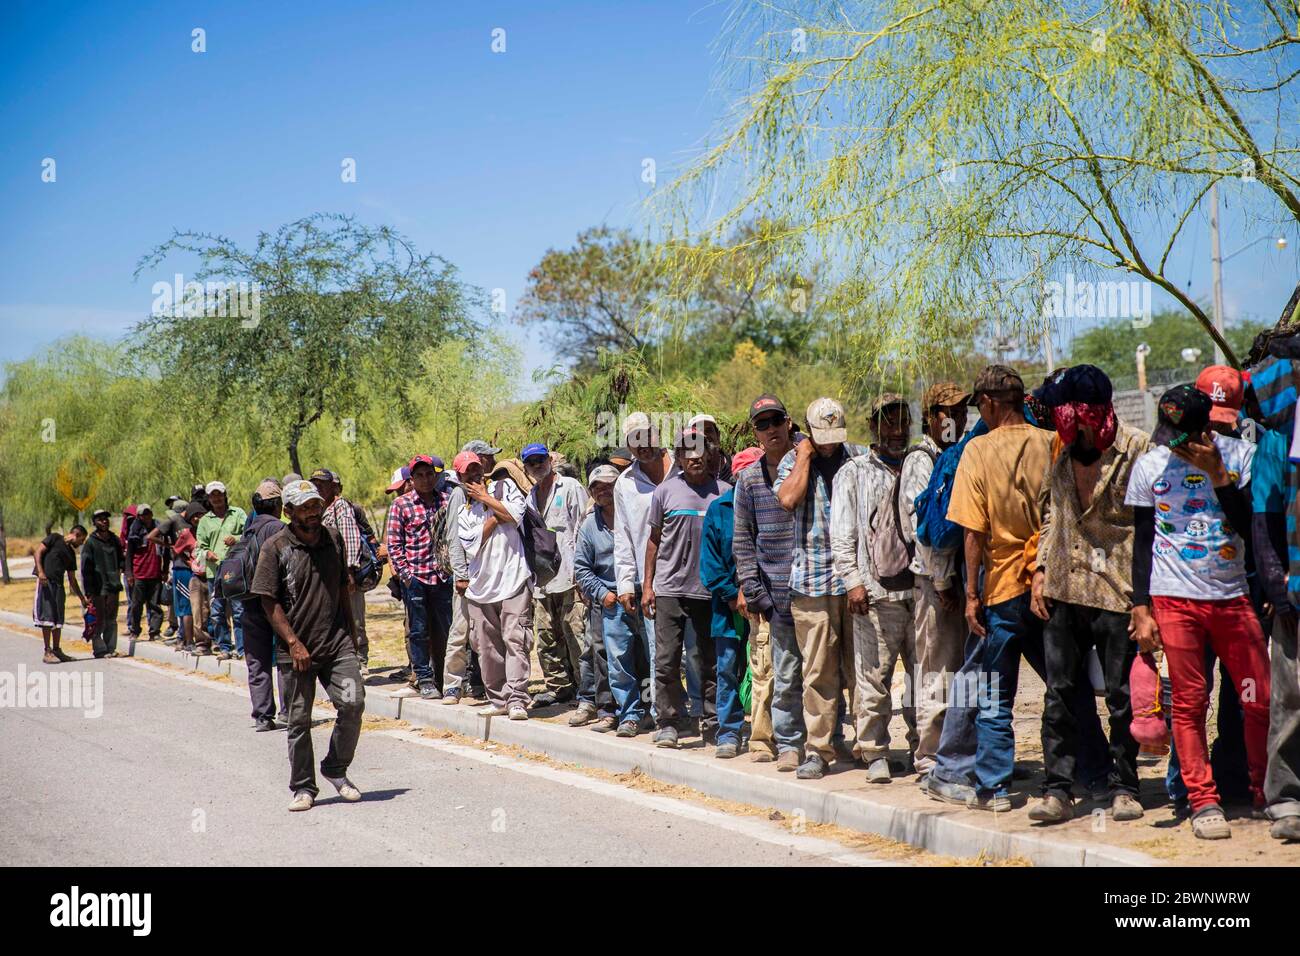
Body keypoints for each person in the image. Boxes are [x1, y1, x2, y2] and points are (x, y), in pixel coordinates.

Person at [1125, 384, 1271, 839]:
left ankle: (1267, 790)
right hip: (1174, 599)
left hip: (1232, 597)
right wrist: (1141, 606)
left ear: (1205, 427)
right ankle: (1202, 800)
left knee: (1258, 697)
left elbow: (1253, 524)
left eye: (1182, 435)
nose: (1174, 443)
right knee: (1189, 702)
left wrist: (1219, 477)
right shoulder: (1150, 465)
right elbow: (1144, 541)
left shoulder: (1241, 456)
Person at [1027, 365, 1150, 824]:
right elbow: (1049, 515)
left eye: (1060, 409)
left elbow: (1150, 529)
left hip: (1118, 594)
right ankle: (1058, 788)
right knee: (1059, 695)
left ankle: (1125, 787)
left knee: (1121, 696)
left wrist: (1145, 601)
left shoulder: (1137, 450)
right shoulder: (1059, 454)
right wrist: (1040, 570)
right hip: (1064, 589)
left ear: (1082, 412)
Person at [947, 365, 1057, 811]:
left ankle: (994, 789)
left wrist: (972, 595)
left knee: (994, 695)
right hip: (1050, 588)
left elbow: (973, 532)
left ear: (990, 403)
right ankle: (1088, 774)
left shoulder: (977, 450)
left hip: (1002, 591)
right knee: (1065, 689)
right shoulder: (1050, 443)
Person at [252, 480, 364, 812]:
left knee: (353, 702)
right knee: (299, 720)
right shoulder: (275, 547)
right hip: (295, 651)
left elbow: (343, 585)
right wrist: (293, 642)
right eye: (304, 508)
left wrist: (352, 631)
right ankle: (303, 786)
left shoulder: (333, 537)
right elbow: (268, 601)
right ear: (288, 511)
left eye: (315, 505)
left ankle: (335, 768)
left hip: (336, 643)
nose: (313, 513)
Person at [775, 397, 866, 779]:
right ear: (808, 432)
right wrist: (805, 457)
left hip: (856, 581)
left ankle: (868, 745)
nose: (829, 443)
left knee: (862, 669)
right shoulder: (792, 462)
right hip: (812, 583)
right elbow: (788, 499)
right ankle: (818, 749)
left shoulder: (859, 458)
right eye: (821, 436)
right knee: (819, 672)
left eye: (834, 435)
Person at [830, 393, 920, 782]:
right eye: (888, 422)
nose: (897, 430)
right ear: (873, 426)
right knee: (873, 679)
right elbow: (842, 535)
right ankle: (875, 751)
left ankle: (924, 749)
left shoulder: (921, 465)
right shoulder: (853, 473)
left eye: (903, 421)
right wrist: (853, 583)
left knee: (924, 679)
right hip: (874, 595)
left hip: (919, 594)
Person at [733, 393, 807, 769]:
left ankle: (833, 740)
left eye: (776, 420)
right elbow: (742, 539)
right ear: (755, 432)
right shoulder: (747, 479)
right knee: (785, 672)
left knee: (828, 672)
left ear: (788, 421)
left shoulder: (809, 465)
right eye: (762, 424)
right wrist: (754, 589)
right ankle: (790, 743)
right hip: (776, 593)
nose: (771, 429)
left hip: (817, 588)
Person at [899, 382, 968, 780]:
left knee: (960, 672)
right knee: (937, 672)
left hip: (958, 581)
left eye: (961, 411)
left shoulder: (956, 453)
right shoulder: (921, 460)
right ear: (931, 417)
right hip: (933, 582)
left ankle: (957, 752)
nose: (956, 418)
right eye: (948, 412)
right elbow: (920, 528)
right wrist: (942, 581)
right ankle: (929, 757)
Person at [644, 427, 728, 749]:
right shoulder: (665, 492)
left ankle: (711, 720)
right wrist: (647, 585)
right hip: (668, 589)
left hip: (708, 590)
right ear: (679, 457)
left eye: (700, 451)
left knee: (707, 660)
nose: (694, 457)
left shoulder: (723, 492)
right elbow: (653, 541)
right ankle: (668, 722)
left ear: (709, 455)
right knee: (666, 660)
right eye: (687, 452)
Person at [455, 450, 533, 719]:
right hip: (481, 587)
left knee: (516, 639)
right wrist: (495, 514)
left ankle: (517, 699)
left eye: (478, 468)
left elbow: (515, 515)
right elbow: (472, 544)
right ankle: (499, 699)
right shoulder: (463, 511)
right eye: (469, 472)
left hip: (514, 578)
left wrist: (488, 499)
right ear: (460, 477)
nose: (475, 474)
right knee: (485, 647)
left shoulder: (506, 486)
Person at [701, 446, 764, 757]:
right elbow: (709, 566)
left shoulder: (771, 503)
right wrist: (731, 594)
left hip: (765, 606)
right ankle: (729, 731)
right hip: (727, 611)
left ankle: (768, 731)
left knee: (767, 671)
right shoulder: (719, 509)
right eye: (745, 475)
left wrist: (755, 594)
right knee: (728, 670)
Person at [613, 412, 676, 713]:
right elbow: (623, 537)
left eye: (646, 436)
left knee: (695, 650)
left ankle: (701, 713)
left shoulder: (683, 465)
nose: (643, 445)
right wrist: (626, 583)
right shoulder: (624, 484)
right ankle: (663, 714)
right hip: (653, 581)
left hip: (693, 575)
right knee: (658, 650)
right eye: (635, 441)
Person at [522, 442, 590, 712]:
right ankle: (559, 689)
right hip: (543, 579)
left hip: (571, 576)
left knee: (576, 635)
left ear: (549, 459)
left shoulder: (571, 487)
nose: (537, 466)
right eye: (531, 462)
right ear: (526, 467)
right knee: (547, 636)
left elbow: (585, 527)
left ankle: (587, 691)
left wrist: (583, 572)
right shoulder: (530, 495)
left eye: (540, 460)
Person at [387, 455, 454, 699]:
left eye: (429, 474)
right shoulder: (401, 505)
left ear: (436, 476)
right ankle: (424, 679)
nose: (425, 480)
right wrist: (406, 576)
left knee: (446, 629)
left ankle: (444, 677)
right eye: (419, 475)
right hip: (416, 578)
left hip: (443, 577)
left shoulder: (446, 501)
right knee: (418, 630)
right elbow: (394, 545)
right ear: (411, 479)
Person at [573, 465, 629, 733]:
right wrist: (602, 594)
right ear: (591, 492)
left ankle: (640, 709)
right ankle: (608, 711)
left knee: (640, 655)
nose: (604, 490)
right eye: (598, 487)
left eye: (610, 485)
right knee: (603, 656)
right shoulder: (588, 526)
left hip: (637, 595)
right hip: (605, 599)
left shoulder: (632, 516)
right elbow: (582, 568)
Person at [239, 479, 291, 731]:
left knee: (257, 659)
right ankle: (288, 711)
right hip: (274, 603)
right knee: (284, 656)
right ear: (277, 504)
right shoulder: (279, 529)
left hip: (248, 602)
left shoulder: (248, 530)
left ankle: (262, 716)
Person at [312, 467, 370, 674]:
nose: (318, 487)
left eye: (322, 484)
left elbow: (350, 539)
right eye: (315, 484)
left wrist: (350, 572)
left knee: (354, 618)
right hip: (327, 578)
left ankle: (360, 659)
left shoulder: (341, 507)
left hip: (345, 575)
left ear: (332, 486)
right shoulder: (317, 509)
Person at [197, 481, 247, 661]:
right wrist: (206, 553)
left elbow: (249, 535)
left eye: (219, 494)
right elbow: (198, 549)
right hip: (214, 573)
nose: (216, 498)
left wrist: (236, 538)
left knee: (239, 611)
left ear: (225, 495)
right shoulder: (204, 521)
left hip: (235, 570)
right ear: (209, 499)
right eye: (212, 495)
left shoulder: (238, 513)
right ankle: (224, 647)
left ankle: (242, 649)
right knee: (217, 612)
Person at [34, 524, 87, 663]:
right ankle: (47, 651)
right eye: (82, 540)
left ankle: (57, 649)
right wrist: (40, 572)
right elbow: (38, 552)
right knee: (47, 617)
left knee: (58, 619)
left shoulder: (71, 554)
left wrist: (82, 598)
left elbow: (72, 579)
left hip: (58, 586)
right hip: (46, 582)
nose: (81, 543)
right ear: (77, 535)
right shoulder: (54, 538)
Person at [81, 509, 125, 659]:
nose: (104, 521)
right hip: (97, 587)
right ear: (94, 523)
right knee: (99, 618)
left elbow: (121, 560)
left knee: (111, 618)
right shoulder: (90, 542)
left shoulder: (114, 539)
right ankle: (100, 649)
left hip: (113, 585)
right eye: (100, 519)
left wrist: (121, 574)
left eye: (106, 518)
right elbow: (85, 568)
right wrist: (88, 591)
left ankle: (111, 647)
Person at [150, 500, 190, 648]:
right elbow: (152, 537)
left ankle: (184, 636)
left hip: (185, 568)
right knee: (181, 606)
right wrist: (170, 546)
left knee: (184, 606)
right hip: (179, 567)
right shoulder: (176, 525)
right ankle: (182, 636)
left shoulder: (186, 525)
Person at [125, 504, 165, 640]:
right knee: (136, 605)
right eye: (143, 514)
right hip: (139, 574)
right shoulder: (134, 533)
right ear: (139, 516)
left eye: (148, 514)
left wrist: (164, 570)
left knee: (155, 605)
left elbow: (165, 552)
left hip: (155, 573)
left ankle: (155, 631)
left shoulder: (159, 530)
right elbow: (129, 555)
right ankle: (134, 630)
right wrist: (129, 574)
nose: (146, 517)